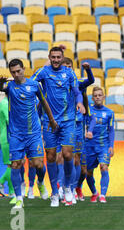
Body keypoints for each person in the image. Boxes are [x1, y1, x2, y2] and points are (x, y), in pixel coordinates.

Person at [0, 59, 57, 208]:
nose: (16, 74)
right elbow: (1, 88)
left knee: (38, 164)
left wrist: (51, 120)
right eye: (13, 72)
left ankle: (40, 182)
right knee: (15, 164)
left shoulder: (34, 85)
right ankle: (19, 197)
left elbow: (44, 103)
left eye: (18, 71)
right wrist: (0, 82)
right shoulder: (10, 86)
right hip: (16, 134)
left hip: (34, 133)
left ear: (24, 69)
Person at [32, 46, 86, 207]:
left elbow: (77, 91)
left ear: (62, 58)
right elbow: (29, 83)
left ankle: (67, 186)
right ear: (49, 57)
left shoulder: (69, 73)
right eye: (53, 57)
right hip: (49, 121)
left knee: (68, 154)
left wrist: (79, 102)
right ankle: (55, 194)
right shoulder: (43, 72)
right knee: (50, 156)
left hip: (68, 119)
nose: (56, 60)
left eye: (58, 57)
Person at [60, 57, 95, 202]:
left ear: (73, 69)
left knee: (76, 159)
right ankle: (62, 188)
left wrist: (87, 69)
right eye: (65, 66)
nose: (68, 68)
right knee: (62, 157)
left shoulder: (77, 84)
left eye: (70, 66)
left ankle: (72, 189)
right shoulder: (56, 83)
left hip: (78, 124)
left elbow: (91, 81)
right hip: (63, 123)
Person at [85, 86, 115, 203]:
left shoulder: (109, 112)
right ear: (92, 98)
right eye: (95, 95)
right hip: (89, 146)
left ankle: (103, 195)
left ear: (104, 97)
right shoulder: (88, 111)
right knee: (88, 172)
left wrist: (111, 146)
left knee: (104, 167)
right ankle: (94, 192)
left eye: (100, 95)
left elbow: (111, 130)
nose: (98, 97)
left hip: (104, 145)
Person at [0, 96, 14, 198]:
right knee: (13, 164)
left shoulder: (7, 103)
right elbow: (9, 121)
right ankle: (1, 182)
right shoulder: (5, 103)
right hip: (8, 137)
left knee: (12, 164)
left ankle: (11, 192)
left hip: (8, 137)